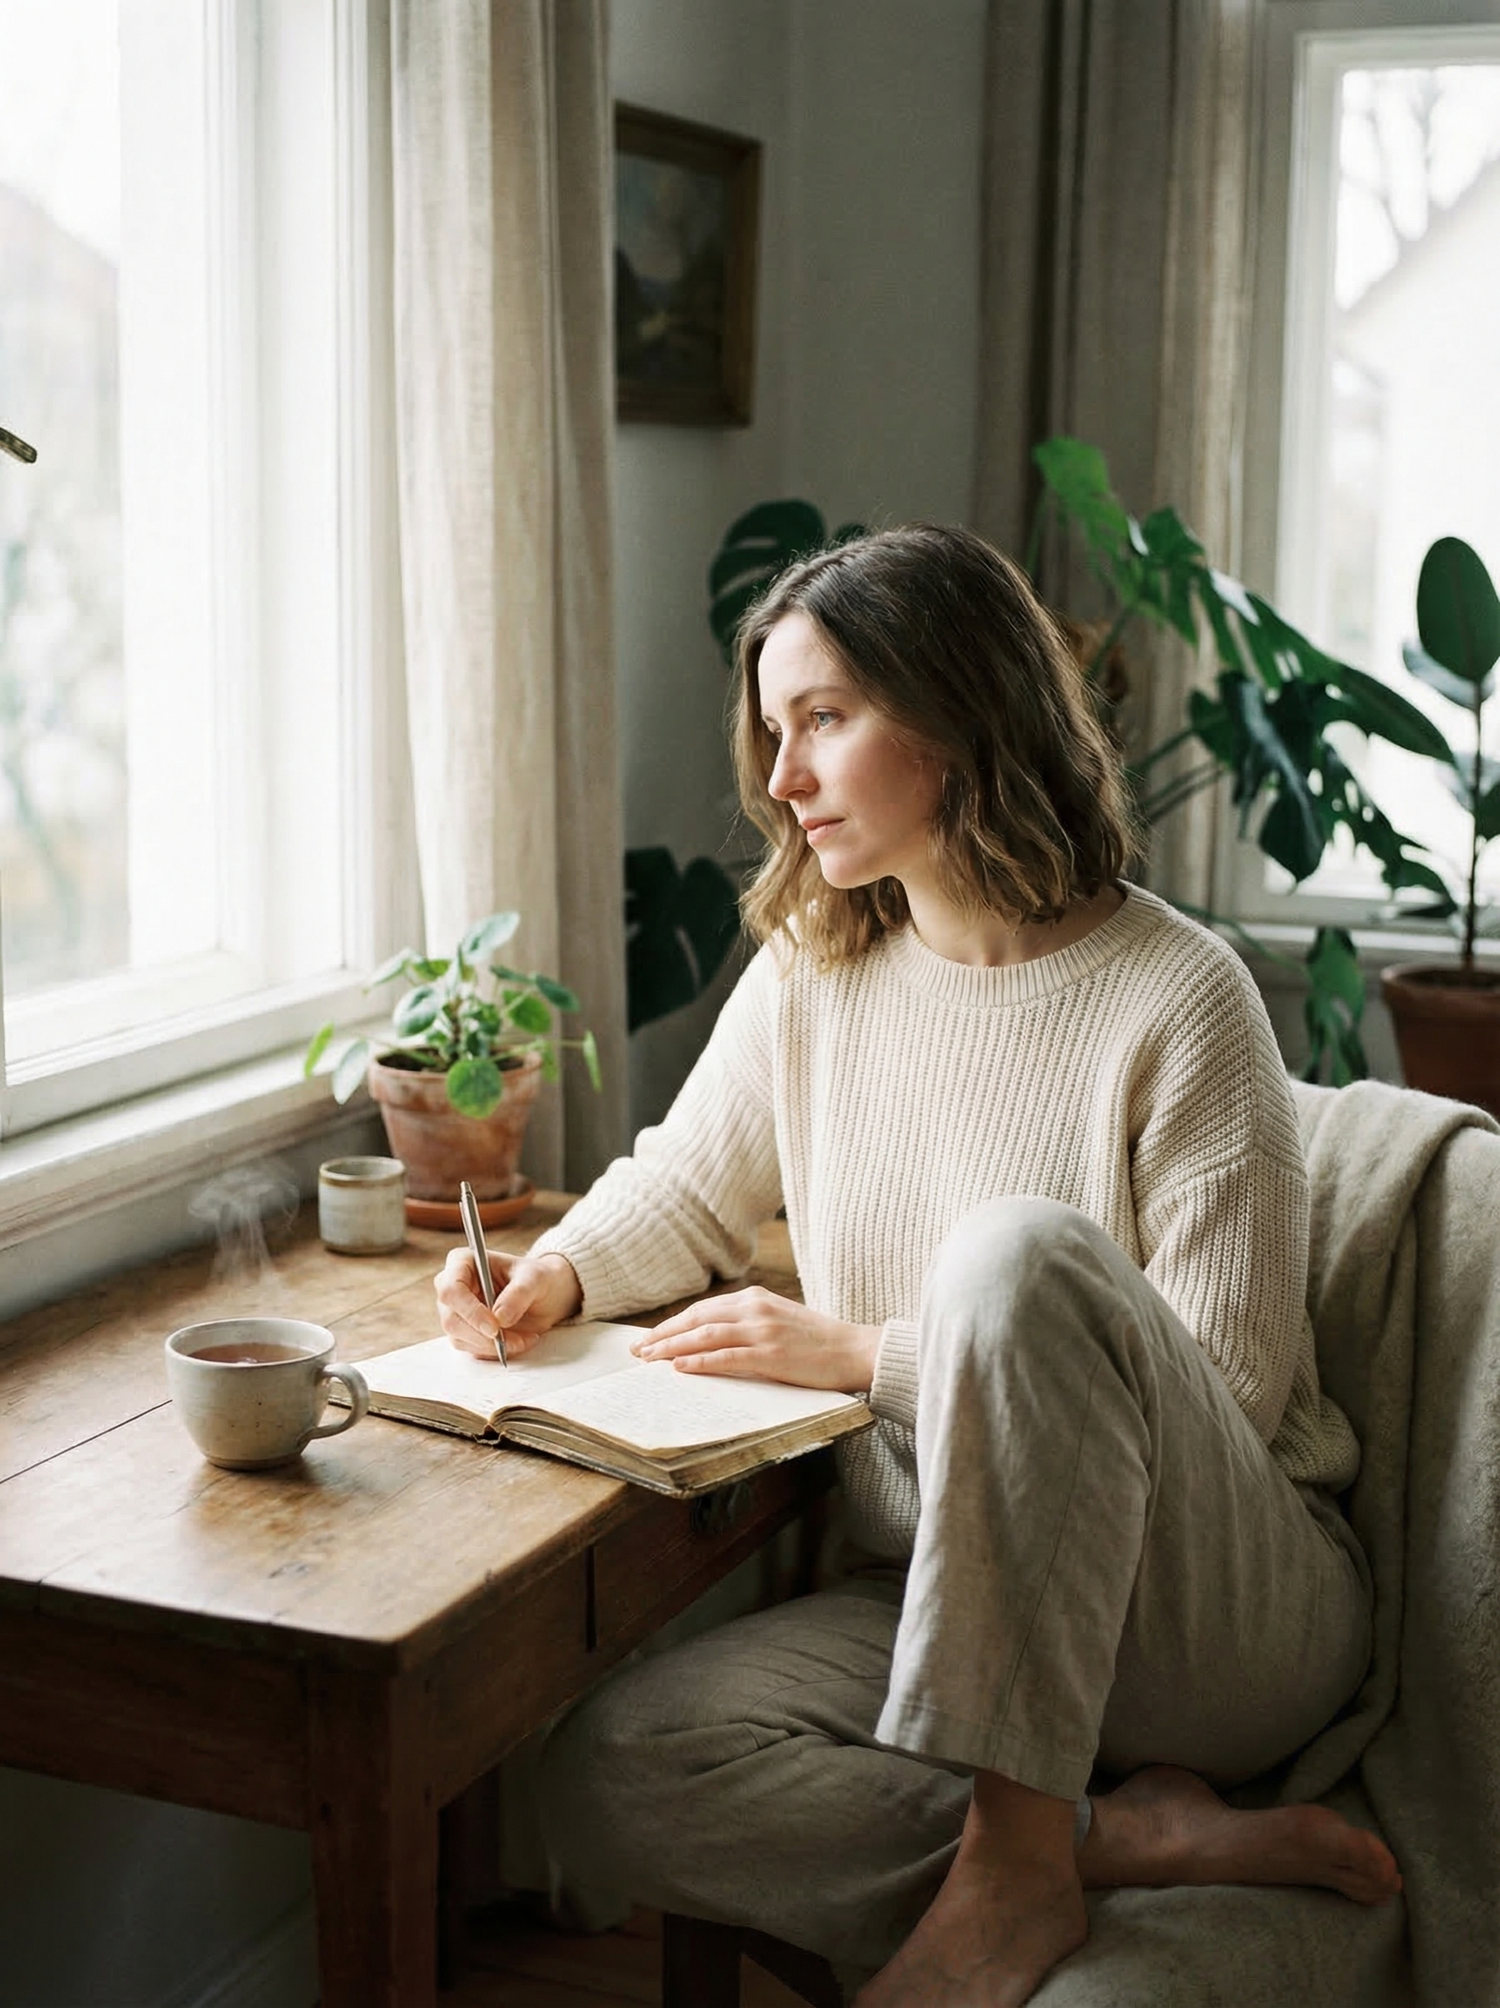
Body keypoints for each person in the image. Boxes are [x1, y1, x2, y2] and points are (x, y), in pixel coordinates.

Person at [435, 525, 1401, 2006]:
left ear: (959, 710)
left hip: (1214, 1612)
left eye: (823, 718)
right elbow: (691, 1184)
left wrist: (862, 1357)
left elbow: (1232, 1389)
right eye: (774, 731)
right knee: (619, 1767)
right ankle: (1106, 1838)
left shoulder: (1184, 995)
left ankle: (1015, 1882)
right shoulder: (817, 974)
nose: (781, 779)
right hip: (955, 1591)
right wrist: (549, 1276)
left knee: (1010, 1255)